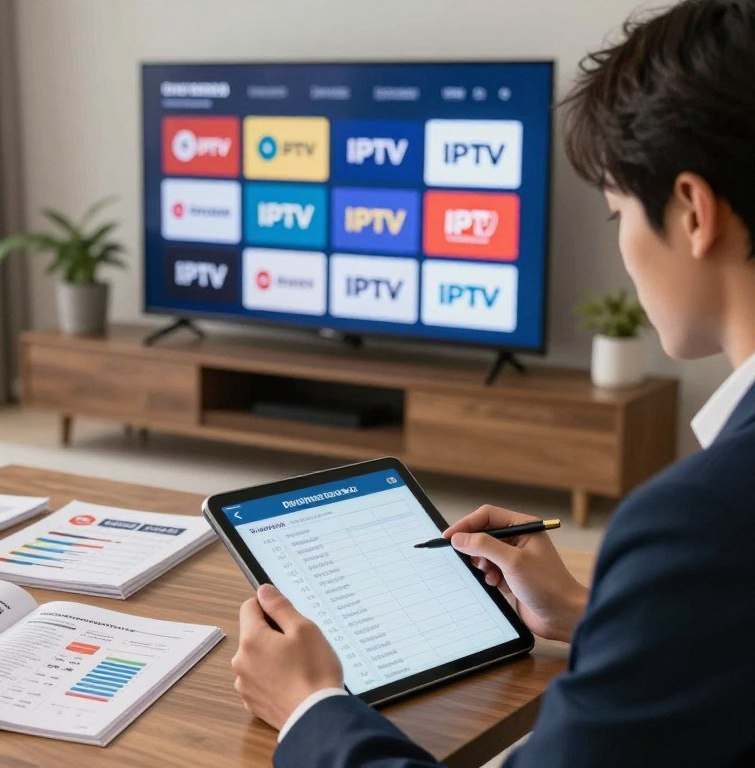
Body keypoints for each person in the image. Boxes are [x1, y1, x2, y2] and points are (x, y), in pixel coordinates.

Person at [230, 1, 755, 765]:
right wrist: (596, 612)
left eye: (616, 217)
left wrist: (309, 705)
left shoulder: (697, 521)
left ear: (693, 211)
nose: (624, 253)